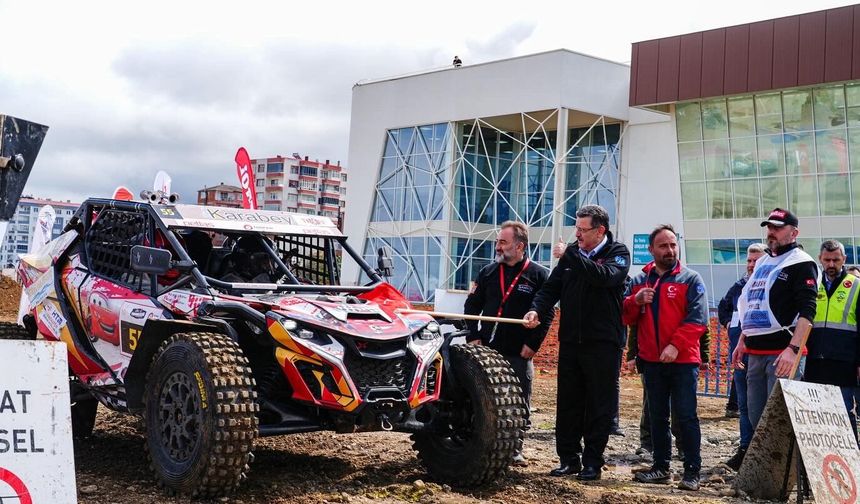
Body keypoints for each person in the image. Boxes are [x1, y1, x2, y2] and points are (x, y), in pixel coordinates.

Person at [523, 204, 630, 481]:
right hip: (571, 341)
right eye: (577, 229)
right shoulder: (573, 254)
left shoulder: (617, 254)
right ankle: (568, 458)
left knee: (598, 405)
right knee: (568, 402)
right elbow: (550, 289)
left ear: (600, 230)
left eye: (583, 230)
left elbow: (603, 277)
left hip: (603, 343)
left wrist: (571, 254)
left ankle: (593, 462)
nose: (577, 235)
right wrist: (536, 308)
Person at [623, 224, 708, 491]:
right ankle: (661, 467)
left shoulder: (690, 279)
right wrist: (635, 301)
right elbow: (625, 318)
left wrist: (675, 346)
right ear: (651, 250)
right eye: (663, 246)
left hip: (683, 361)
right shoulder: (639, 281)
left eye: (673, 244)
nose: (670, 250)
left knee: (685, 416)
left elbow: (698, 320)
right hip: (652, 362)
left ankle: (692, 472)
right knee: (656, 416)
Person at [732, 208, 818, 466]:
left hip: (782, 352)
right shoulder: (763, 262)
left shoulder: (801, 263)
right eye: (769, 227)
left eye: (777, 228)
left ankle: (791, 474)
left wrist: (793, 349)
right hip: (755, 352)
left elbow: (808, 312)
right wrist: (742, 340)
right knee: (757, 418)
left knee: (780, 420)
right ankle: (763, 473)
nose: (771, 232)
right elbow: (751, 304)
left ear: (794, 233)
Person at [463, 220, 549, 466]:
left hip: (518, 351)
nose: (498, 247)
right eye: (497, 242)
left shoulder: (539, 275)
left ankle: (515, 449)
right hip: (487, 350)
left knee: (518, 401)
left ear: (520, 246)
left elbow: (547, 314)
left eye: (503, 242)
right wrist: (473, 335)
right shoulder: (488, 272)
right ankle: (479, 446)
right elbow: (471, 306)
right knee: (482, 400)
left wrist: (533, 344)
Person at [804, 240, 859, 442]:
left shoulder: (856, 286)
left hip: (843, 360)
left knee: (844, 412)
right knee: (814, 413)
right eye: (827, 260)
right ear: (820, 259)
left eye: (836, 260)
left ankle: (851, 457)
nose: (831, 264)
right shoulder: (811, 284)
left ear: (844, 259)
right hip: (814, 359)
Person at [718, 243, 766, 470]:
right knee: (744, 404)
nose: (750, 265)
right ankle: (745, 448)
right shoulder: (739, 286)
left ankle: (762, 451)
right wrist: (728, 323)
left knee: (761, 405)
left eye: (755, 261)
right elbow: (723, 307)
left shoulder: (770, 286)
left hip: (761, 353)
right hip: (739, 353)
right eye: (748, 260)